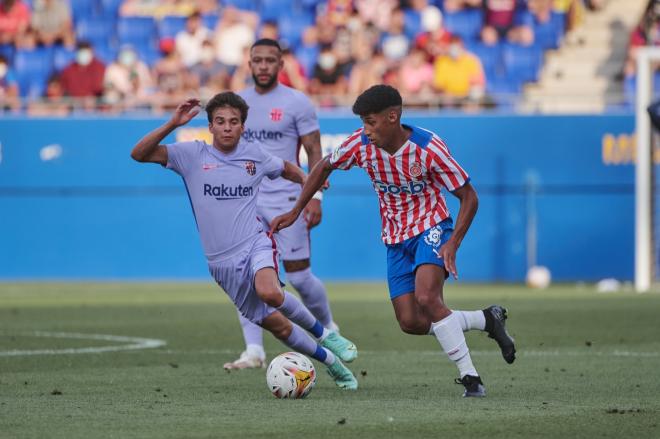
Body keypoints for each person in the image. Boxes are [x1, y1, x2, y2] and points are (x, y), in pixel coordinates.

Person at [271, 85, 516, 397]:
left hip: (432, 226)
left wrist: (452, 242)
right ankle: (486, 319)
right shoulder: (360, 145)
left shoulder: (428, 147)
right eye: (363, 123)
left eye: (371, 122)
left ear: (392, 117)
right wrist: (296, 211)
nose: (366, 130)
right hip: (396, 238)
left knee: (428, 298)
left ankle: (471, 379)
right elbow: (324, 165)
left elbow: (469, 197)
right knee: (410, 321)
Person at [130, 92, 358, 390]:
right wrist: (174, 122)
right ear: (210, 126)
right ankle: (332, 363)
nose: (227, 127)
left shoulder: (254, 155)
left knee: (271, 293)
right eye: (220, 122)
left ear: (243, 127)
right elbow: (139, 154)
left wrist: (306, 180)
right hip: (221, 263)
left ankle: (327, 334)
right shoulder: (191, 155)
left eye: (234, 122)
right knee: (278, 325)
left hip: (255, 243)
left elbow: (286, 168)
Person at [222, 38, 348, 370]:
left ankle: (329, 328)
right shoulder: (236, 103)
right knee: (246, 277)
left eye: (270, 60)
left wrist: (316, 195)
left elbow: (315, 152)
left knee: (300, 276)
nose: (263, 66)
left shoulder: (297, 103)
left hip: (287, 199)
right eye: (257, 60)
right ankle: (254, 351)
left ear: (281, 64)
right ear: (249, 65)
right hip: (246, 203)